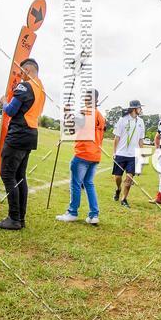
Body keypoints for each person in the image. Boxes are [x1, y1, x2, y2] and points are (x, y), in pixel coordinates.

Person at [0, 58, 46, 231]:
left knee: (8, 175)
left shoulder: (25, 86)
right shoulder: (41, 88)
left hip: (18, 134)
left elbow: (10, 110)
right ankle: (20, 218)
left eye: (21, 71)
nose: (19, 75)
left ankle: (14, 218)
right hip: (31, 134)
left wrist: (3, 101)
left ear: (28, 70)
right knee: (20, 176)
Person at [56, 89, 105, 224]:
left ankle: (72, 212)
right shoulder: (100, 116)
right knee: (89, 184)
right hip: (95, 155)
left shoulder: (85, 113)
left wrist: (67, 112)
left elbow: (70, 127)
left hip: (83, 153)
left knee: (76, 184)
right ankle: (94, 215)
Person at [112, 100, 144, 208]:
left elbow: (141, 139)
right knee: (117, 177)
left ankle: (124, 199)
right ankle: (118, 189)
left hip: (133, 155)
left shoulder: (141, 122)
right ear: (134, 109)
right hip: (121, 153)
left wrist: (141, 153)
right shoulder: (122, 120)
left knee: (129, 178)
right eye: (139, 108)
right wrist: (114, 152)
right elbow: (116, 137)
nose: (141, 109)